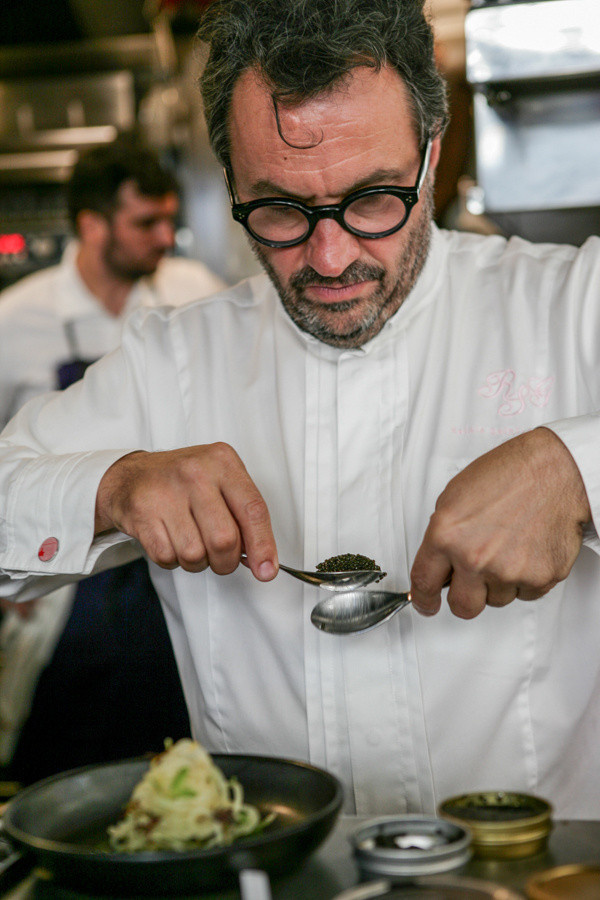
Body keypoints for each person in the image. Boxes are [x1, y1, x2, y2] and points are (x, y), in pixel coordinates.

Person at [0, 0, 598, 817]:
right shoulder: (173, 359)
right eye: (279, 209)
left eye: (373, 198)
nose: (330, 254)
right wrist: (113, 487)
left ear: (430, 157)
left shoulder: (571, 306)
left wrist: (576, 468)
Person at [0, 136, 225, 784]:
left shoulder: (195, 292)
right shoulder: (18, 319)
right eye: (145, 223)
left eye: (169, 218)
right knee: (70, 761)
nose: (165, 237)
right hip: (66, 578)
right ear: (93, 225)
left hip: (172, 557)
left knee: (175, 745)